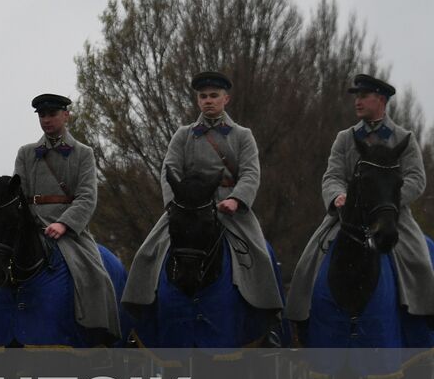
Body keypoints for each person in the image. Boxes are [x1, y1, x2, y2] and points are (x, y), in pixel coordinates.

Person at [122, 72, 284, 316]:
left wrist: (236, 199)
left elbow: (251, 173)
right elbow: (170, 170)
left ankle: (268, 319)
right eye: (203, 96)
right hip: (188, 208)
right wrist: (174, 205)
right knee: (148, 251)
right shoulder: (183, 134)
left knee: (259, 253)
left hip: (228, 207)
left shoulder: (243, 135)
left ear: (225, 99)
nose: (208, 100)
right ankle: (138, 317)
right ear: (198, 101)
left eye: (214, 96)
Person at [0, 93, 120, 339]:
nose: (47, 120)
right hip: (31, 224)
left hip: (68, 230)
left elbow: (86, 197)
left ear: (66, 115)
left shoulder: (83, 153)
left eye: (52, 114)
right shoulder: (26, 153)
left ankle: (100, 333)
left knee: (94, 273)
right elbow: (19, 193)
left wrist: (64, 224)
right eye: (42, 115)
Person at [286, 73, 434, 321]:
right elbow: (332, 175)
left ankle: (424, 321)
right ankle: (299, 321)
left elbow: (417, 179)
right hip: (349, 213)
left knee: (418, 260)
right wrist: (337, 196)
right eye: (356, 96)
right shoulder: (345, 138)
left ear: (381, 100)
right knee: (308, 259)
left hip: (391, 214)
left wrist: (387, 202)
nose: (357, 101)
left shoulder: (403, 139)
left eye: (363, 96)